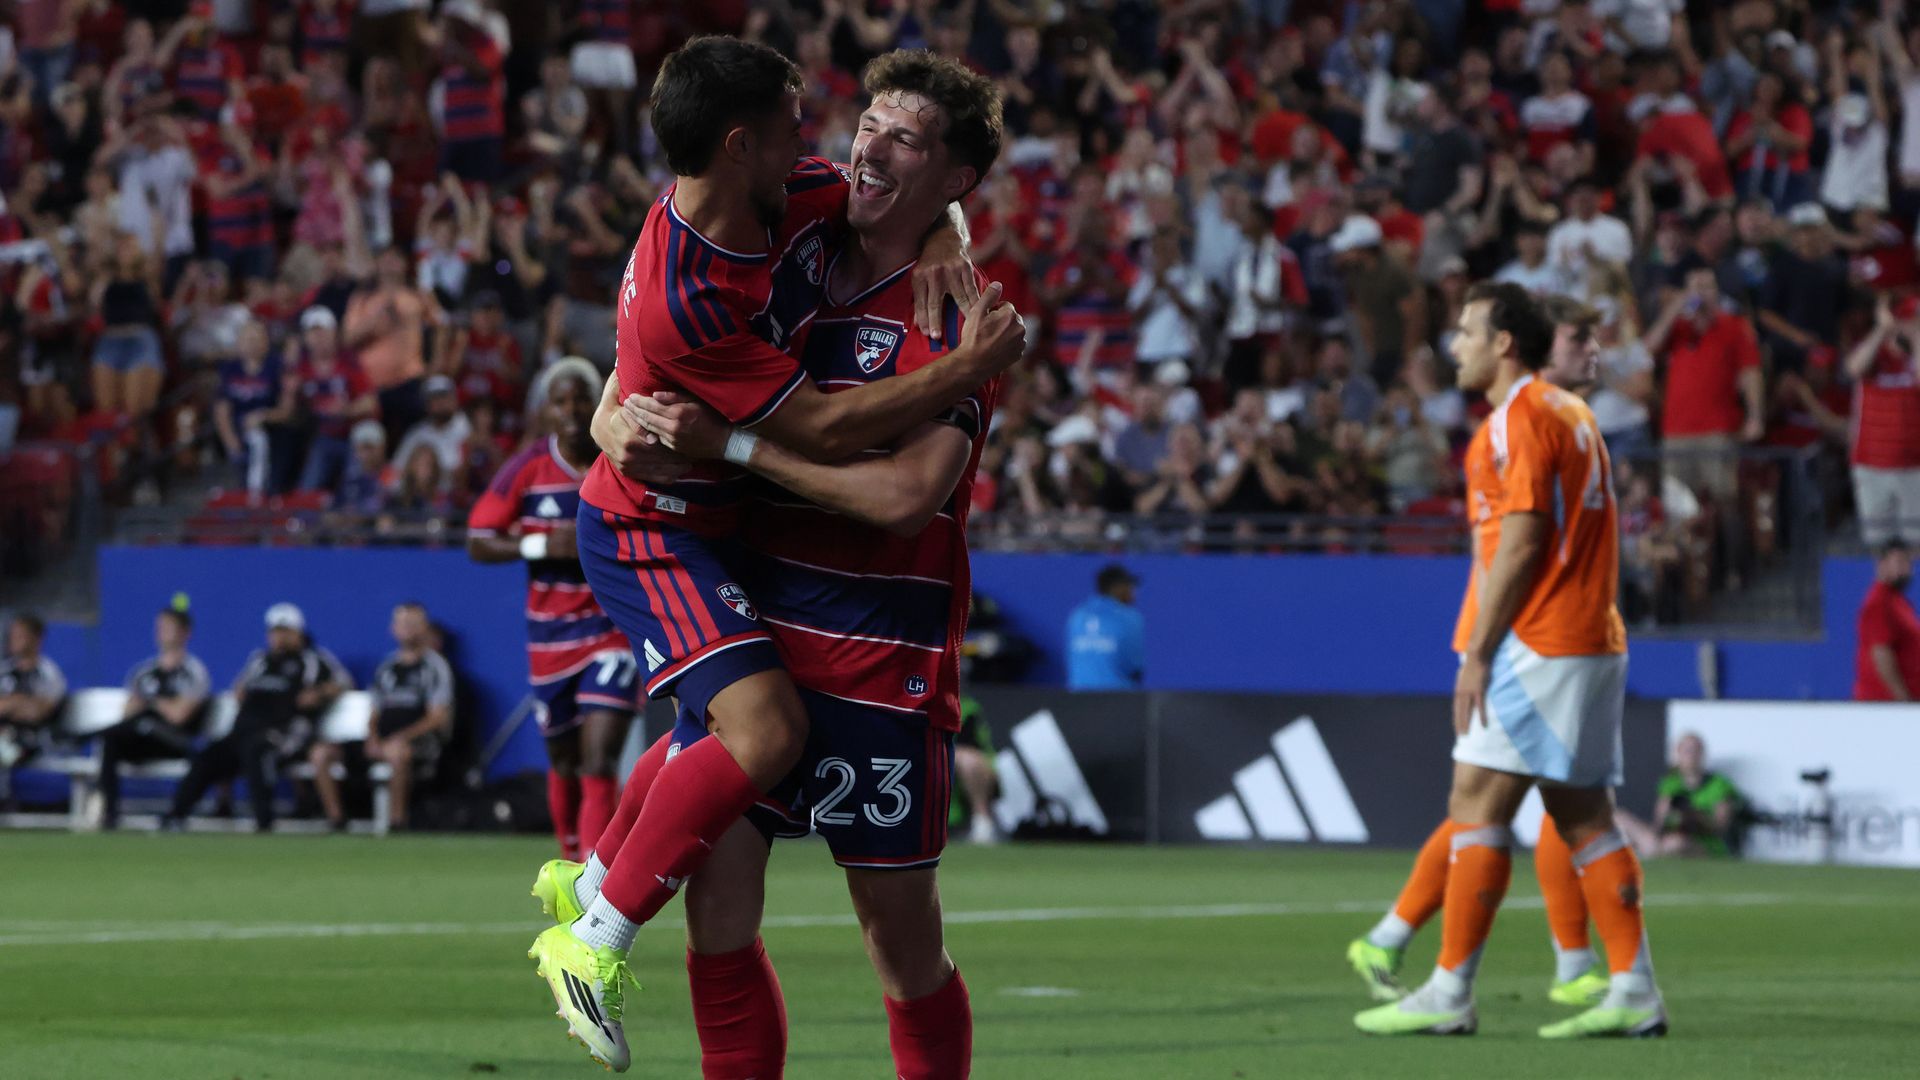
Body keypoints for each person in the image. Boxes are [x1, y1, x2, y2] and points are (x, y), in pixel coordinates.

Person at [520, 37, 1021, 1073]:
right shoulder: (791, 229)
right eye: (868, 123)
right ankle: (602, 908)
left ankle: (601, 878)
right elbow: (653, 357)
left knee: (899, 942)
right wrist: (618, 414)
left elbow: (900, 495)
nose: (868, 149)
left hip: (882, 654)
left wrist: (946, 236)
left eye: (906, 139)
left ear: (954, 179)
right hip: (764, 623)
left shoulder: (956, 311)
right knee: (720, 917)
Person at [1352, 282, 1665, 1039]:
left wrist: (1479, 654)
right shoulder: (1574, 413)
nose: (1451, 346)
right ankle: (1632, 988)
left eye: (1464, 332)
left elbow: (1521, 543)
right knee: (1583, 815)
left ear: (1502, 343)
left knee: (1476, 803)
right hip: (1590, 636)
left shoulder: (1516, 419)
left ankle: (1449, 989)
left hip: (1541, 641)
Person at [467, 359, 641, 860]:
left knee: (599, 757)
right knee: (564, 762)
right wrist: (543, 547)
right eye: (560, 401)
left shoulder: (626, 457)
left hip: (612, 630)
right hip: (550, 638)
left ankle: (595, 874)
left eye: (581, 398)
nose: (571, 411)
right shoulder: (527, 468)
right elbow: (479, 539)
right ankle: (569, 858)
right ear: (546, 410)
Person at [161, 603, 347, 833]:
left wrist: (318, 694)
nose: (277, 636)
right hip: (244, 730)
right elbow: (239, 686)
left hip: (283, 732)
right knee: (208, 756)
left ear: (297, 632)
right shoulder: (260, 660)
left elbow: (342, 682)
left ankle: (264, 821)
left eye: (283, 631)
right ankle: (175, 815)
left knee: (257, 751)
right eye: (273, 631)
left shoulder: (312, 659)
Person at [308, 601, 453, 831]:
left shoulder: (435, 667)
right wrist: (372, 737)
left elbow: (437, 717)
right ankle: (336, 820)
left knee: (397, 752)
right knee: (320, 753)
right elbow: (374, 710)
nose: (406, 628)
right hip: (381, 739)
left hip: (417, 743)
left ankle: (397, 823)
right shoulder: (387, 667)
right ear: (392, 628)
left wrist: (401, 737)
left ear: (424, 628)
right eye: (401, 622)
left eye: (413, 623)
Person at [96, 606, 211, 830]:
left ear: (185, 633)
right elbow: (128, 712)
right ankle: (109, 813)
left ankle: (175, 815)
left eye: (168, 628)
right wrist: (159, 704)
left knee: (146, 723)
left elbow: (179, 715)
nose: (161, 632)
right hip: (143, 737)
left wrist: (151, 702)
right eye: (159, 627)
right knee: (110, 738)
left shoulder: (193, 672)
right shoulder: (144, 672)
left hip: (174, 740)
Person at [1843, 297, 1920, 548]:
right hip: (1872, 465)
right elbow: (1854, 368)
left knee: (1916, 542)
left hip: (1914, 466)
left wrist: (1915, 335)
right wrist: (1881, 330)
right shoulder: (1874, 352)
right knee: (1877, 545)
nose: (1901, 323)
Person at [1617, 732, 1745, 857]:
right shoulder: (1671, 783)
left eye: (1695, 750)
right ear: (1678, 753)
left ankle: (1648, 853)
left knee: (1676, 843)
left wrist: (1695, 818)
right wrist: (1671, 816)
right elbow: (1659, 823)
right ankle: (1648, 851)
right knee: (1619, 817)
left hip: (1702, 842)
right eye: (1686, 751)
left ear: (1702, 754)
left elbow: (1721, 827)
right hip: (1666, 838)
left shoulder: (1719, 784)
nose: (1690, 756)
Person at [0, 613, 67, 803]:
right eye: (13, 634)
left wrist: (8, 704)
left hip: (35, 740)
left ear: (36, 638)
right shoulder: (4, 672)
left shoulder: (48, 674)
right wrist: (20, 702)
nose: (14, 640)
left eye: (20, 635)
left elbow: (37, 713)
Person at [1854, 540, 1919, 702]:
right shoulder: (1879, 602)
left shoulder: (1897, 601)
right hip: (1884, 705)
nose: (1906, 569)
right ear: (1881, 564)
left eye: (1908, 563)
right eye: (1899, 562)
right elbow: (1881, 653)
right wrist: (1902, 697)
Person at [1066, 564, 1146, 690]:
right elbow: (1134, 666)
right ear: (1118, 588)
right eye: (1129, 586)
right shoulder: (1128, 617)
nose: (1133, 592)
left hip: (1078, 698)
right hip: (1118, 699)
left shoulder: (1077, 616)